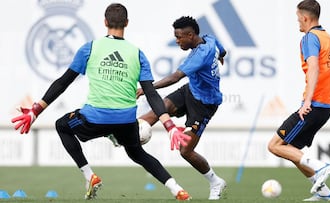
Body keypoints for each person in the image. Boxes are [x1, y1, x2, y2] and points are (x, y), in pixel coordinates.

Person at [11, 3, 191, 201]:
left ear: (105, 22)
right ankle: (177, 189)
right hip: (126, 120)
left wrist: (35, 110)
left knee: (62, 125)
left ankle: (90, 177)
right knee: (136, 152)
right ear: (127, 23)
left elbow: (63, 82)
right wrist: (170, 126)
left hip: (94, 119)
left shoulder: (90, 48)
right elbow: (151, 93)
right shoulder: (138, 54)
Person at [136, 16, 227, 200]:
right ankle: (129, 132)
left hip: (205, 104)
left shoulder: (200, 55)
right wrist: (222, 56)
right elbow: (221, 48)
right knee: (159, 110)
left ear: (191, 35)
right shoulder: (209, 39)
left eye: (179, 37)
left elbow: (174, 77)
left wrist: (146, 89)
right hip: (190, 90)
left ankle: (215, 181)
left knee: (185, 151)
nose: (177, 41)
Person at [267, 0, 330, 201]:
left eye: (298, 18)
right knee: (292, 150)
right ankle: (324, 194)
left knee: (275, 145)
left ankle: (321, 166)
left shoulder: (310, 37)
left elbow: (314, 67)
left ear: (305, 18)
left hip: (314, 105)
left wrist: (307, 102)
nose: (297, 22)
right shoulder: (326, 37)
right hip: (325, 105)